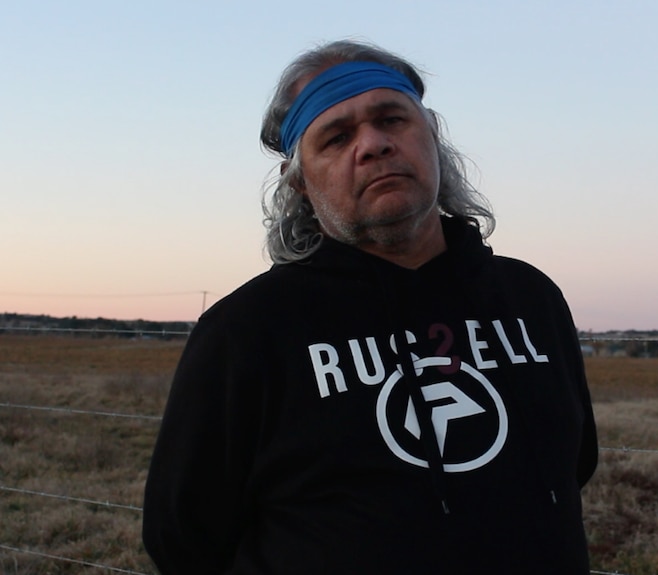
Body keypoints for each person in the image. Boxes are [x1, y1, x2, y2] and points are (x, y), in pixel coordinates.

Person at [142, 40, 598, 574]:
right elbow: (184, 539)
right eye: (336, 137)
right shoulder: (248, 330)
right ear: (301, 183)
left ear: (432, 135)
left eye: (392, 119)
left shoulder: (530, 298)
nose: (374, 144)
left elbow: (574, 464)